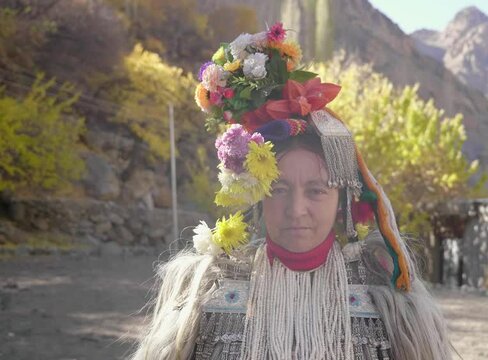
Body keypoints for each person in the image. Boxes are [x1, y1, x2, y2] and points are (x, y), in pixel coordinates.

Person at [130, 22, 451, 360]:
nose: (297, 209)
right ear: (258, 195)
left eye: (316, 191)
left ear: (342, 200)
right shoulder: (205, 289)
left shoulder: (389, 299)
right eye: (279, 189)